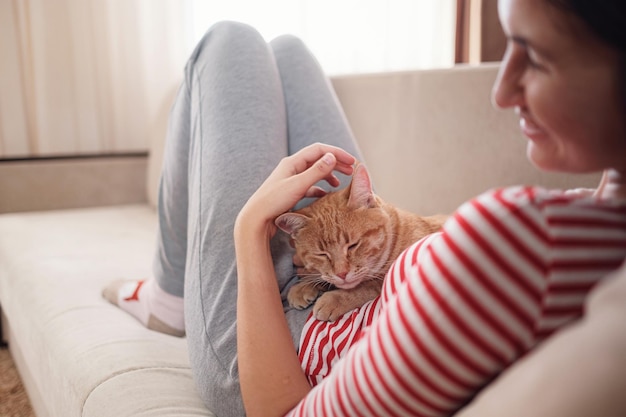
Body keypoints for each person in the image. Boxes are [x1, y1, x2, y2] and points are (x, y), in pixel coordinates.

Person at [103, 0, 626, 415]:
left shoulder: (527, 242)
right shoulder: (594, 225)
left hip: (273, 363)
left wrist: (249, 227)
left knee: (226, 40)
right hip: (327, 277)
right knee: (288, 50)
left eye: (534, 56)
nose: (500, 90)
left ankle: (170, 298)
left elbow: (282, 409)